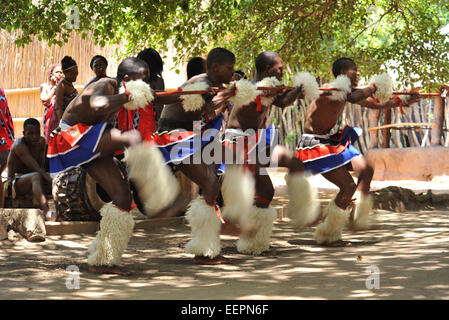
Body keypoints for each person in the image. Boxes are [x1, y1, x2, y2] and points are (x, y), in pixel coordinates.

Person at [47, 57, 164, 275]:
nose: (147, 85)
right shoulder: (106, 85)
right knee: (132, 137)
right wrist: (125, 96)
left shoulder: (126, 92)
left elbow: (162, 97)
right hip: (72, 137)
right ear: (127, 79)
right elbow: (97, 103)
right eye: (144, 80)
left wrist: (202, 95)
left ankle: (103, 260)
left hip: (92, 142)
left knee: (122, 198)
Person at [296, 57, 422, 246]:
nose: (358, 74)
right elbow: (356, 97)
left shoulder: (346, 92)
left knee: (366, 170)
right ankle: (329, 234)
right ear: (343, 73)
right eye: (354, 71)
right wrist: (374, 86)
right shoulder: (333, 88)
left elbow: (374, 104)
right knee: (347, 186)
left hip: (329, 142)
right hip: (314, 145)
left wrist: (401, 101)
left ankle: (356, 212)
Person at [151, 47, 238, 265]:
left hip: (190, 136)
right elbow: (208, 112)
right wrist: (227, 95)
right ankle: (204, 252)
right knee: (210, 184)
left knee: (212, 183)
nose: (232, 72)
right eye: (230, 68)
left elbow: (205, 116)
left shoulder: (212, 85)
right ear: (216, 67)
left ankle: (207, 247)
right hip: (174, 137)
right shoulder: (202, 84)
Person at [219, 51, 310, 256]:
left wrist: (298, 91)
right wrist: (300, 88)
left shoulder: (269, 88)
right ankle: (241, 236)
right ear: (268, 70)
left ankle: (255, 243)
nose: (283, 71)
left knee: (287, 171)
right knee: (258, 191)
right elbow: (284, 101)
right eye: (280, 68)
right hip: (238, 143)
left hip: (255, 142)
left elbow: (282, 100)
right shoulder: (253, 87)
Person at [6, 118, 55, 220]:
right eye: (30, 133)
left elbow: (42, 167)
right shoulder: (19, 145)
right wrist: (53, 182)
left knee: (54, 177)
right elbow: (37, 169)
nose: (34, 137)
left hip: (34, 179)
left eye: (37, 133)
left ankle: (59, 211)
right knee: (36, 176)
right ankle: (47, 212)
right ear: (24, 133)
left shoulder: (41, 142)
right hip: (15, 184)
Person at [46, 56, 79, 142]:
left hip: (69, 120)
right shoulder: (62, 86)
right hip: (61, 121)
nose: (75, 75)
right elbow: (58, 107)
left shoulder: (69, 84)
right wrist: (62, 125)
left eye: (76, 72)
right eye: (72, 74)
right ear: (64, 73)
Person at [40, 64, 63, 141]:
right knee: (50, 142)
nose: (60, 74)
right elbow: (45, 100)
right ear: (51, 74)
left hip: (62, 119)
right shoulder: (45, 86)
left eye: (62, 72)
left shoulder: (65, 87)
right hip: (50, 120)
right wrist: (54, 87)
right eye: (57, 72)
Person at [0, 88, 15, 174]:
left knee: (6, 158)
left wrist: (10, 132)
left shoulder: (1, 92)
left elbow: (6, 113)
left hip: (3, 131)